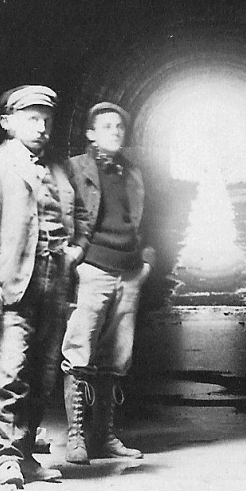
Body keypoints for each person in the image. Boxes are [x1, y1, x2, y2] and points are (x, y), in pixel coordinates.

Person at [0, 85, 82, 488]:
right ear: (7, 123)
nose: (42, 126)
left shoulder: (59, 170)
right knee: (13, 369)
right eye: (32, 118)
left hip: (55, 282)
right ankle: (6, 458)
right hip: (14, 283)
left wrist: (74, 250)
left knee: (44, 373)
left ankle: (26, 453)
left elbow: (73, 217)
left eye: (47, 119)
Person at [60, 101, 154, 465]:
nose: (115, 132)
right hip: (94, 270)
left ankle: (105, 437)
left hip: (129, 272)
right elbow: (63, 214)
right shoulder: (75, 169)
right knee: (79, 354)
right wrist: (75, 259)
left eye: (120, 127)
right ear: (90, 134)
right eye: (107, 127)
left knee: (117, 359)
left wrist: (146, 262)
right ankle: (76, 438)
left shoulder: (133, 173)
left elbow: (148, 222)